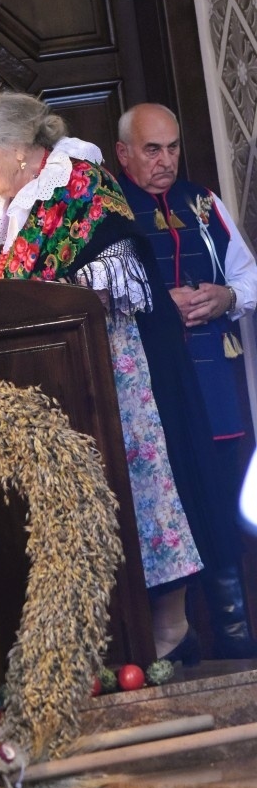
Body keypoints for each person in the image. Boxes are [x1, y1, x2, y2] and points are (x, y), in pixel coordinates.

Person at [0, 88, 238, 664]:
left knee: (149, 492)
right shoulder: (5, 205)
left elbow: (116, 276)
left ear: (19, 147)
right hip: (52, 382)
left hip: (120, 378)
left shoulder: (82, 184)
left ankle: (171, 624)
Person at [116, 103, 257, 659]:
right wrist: (156, 306)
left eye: (173, 147)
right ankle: (178, 636)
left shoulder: (203, 202)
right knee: (174, 500)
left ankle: (236, 637)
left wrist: (225, 296)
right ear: (124, 152)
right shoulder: (107, 211)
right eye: (153, 149)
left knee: (228, 498)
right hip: (157, 389)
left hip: (219, 383)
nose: (166, 160)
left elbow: (248, 276)